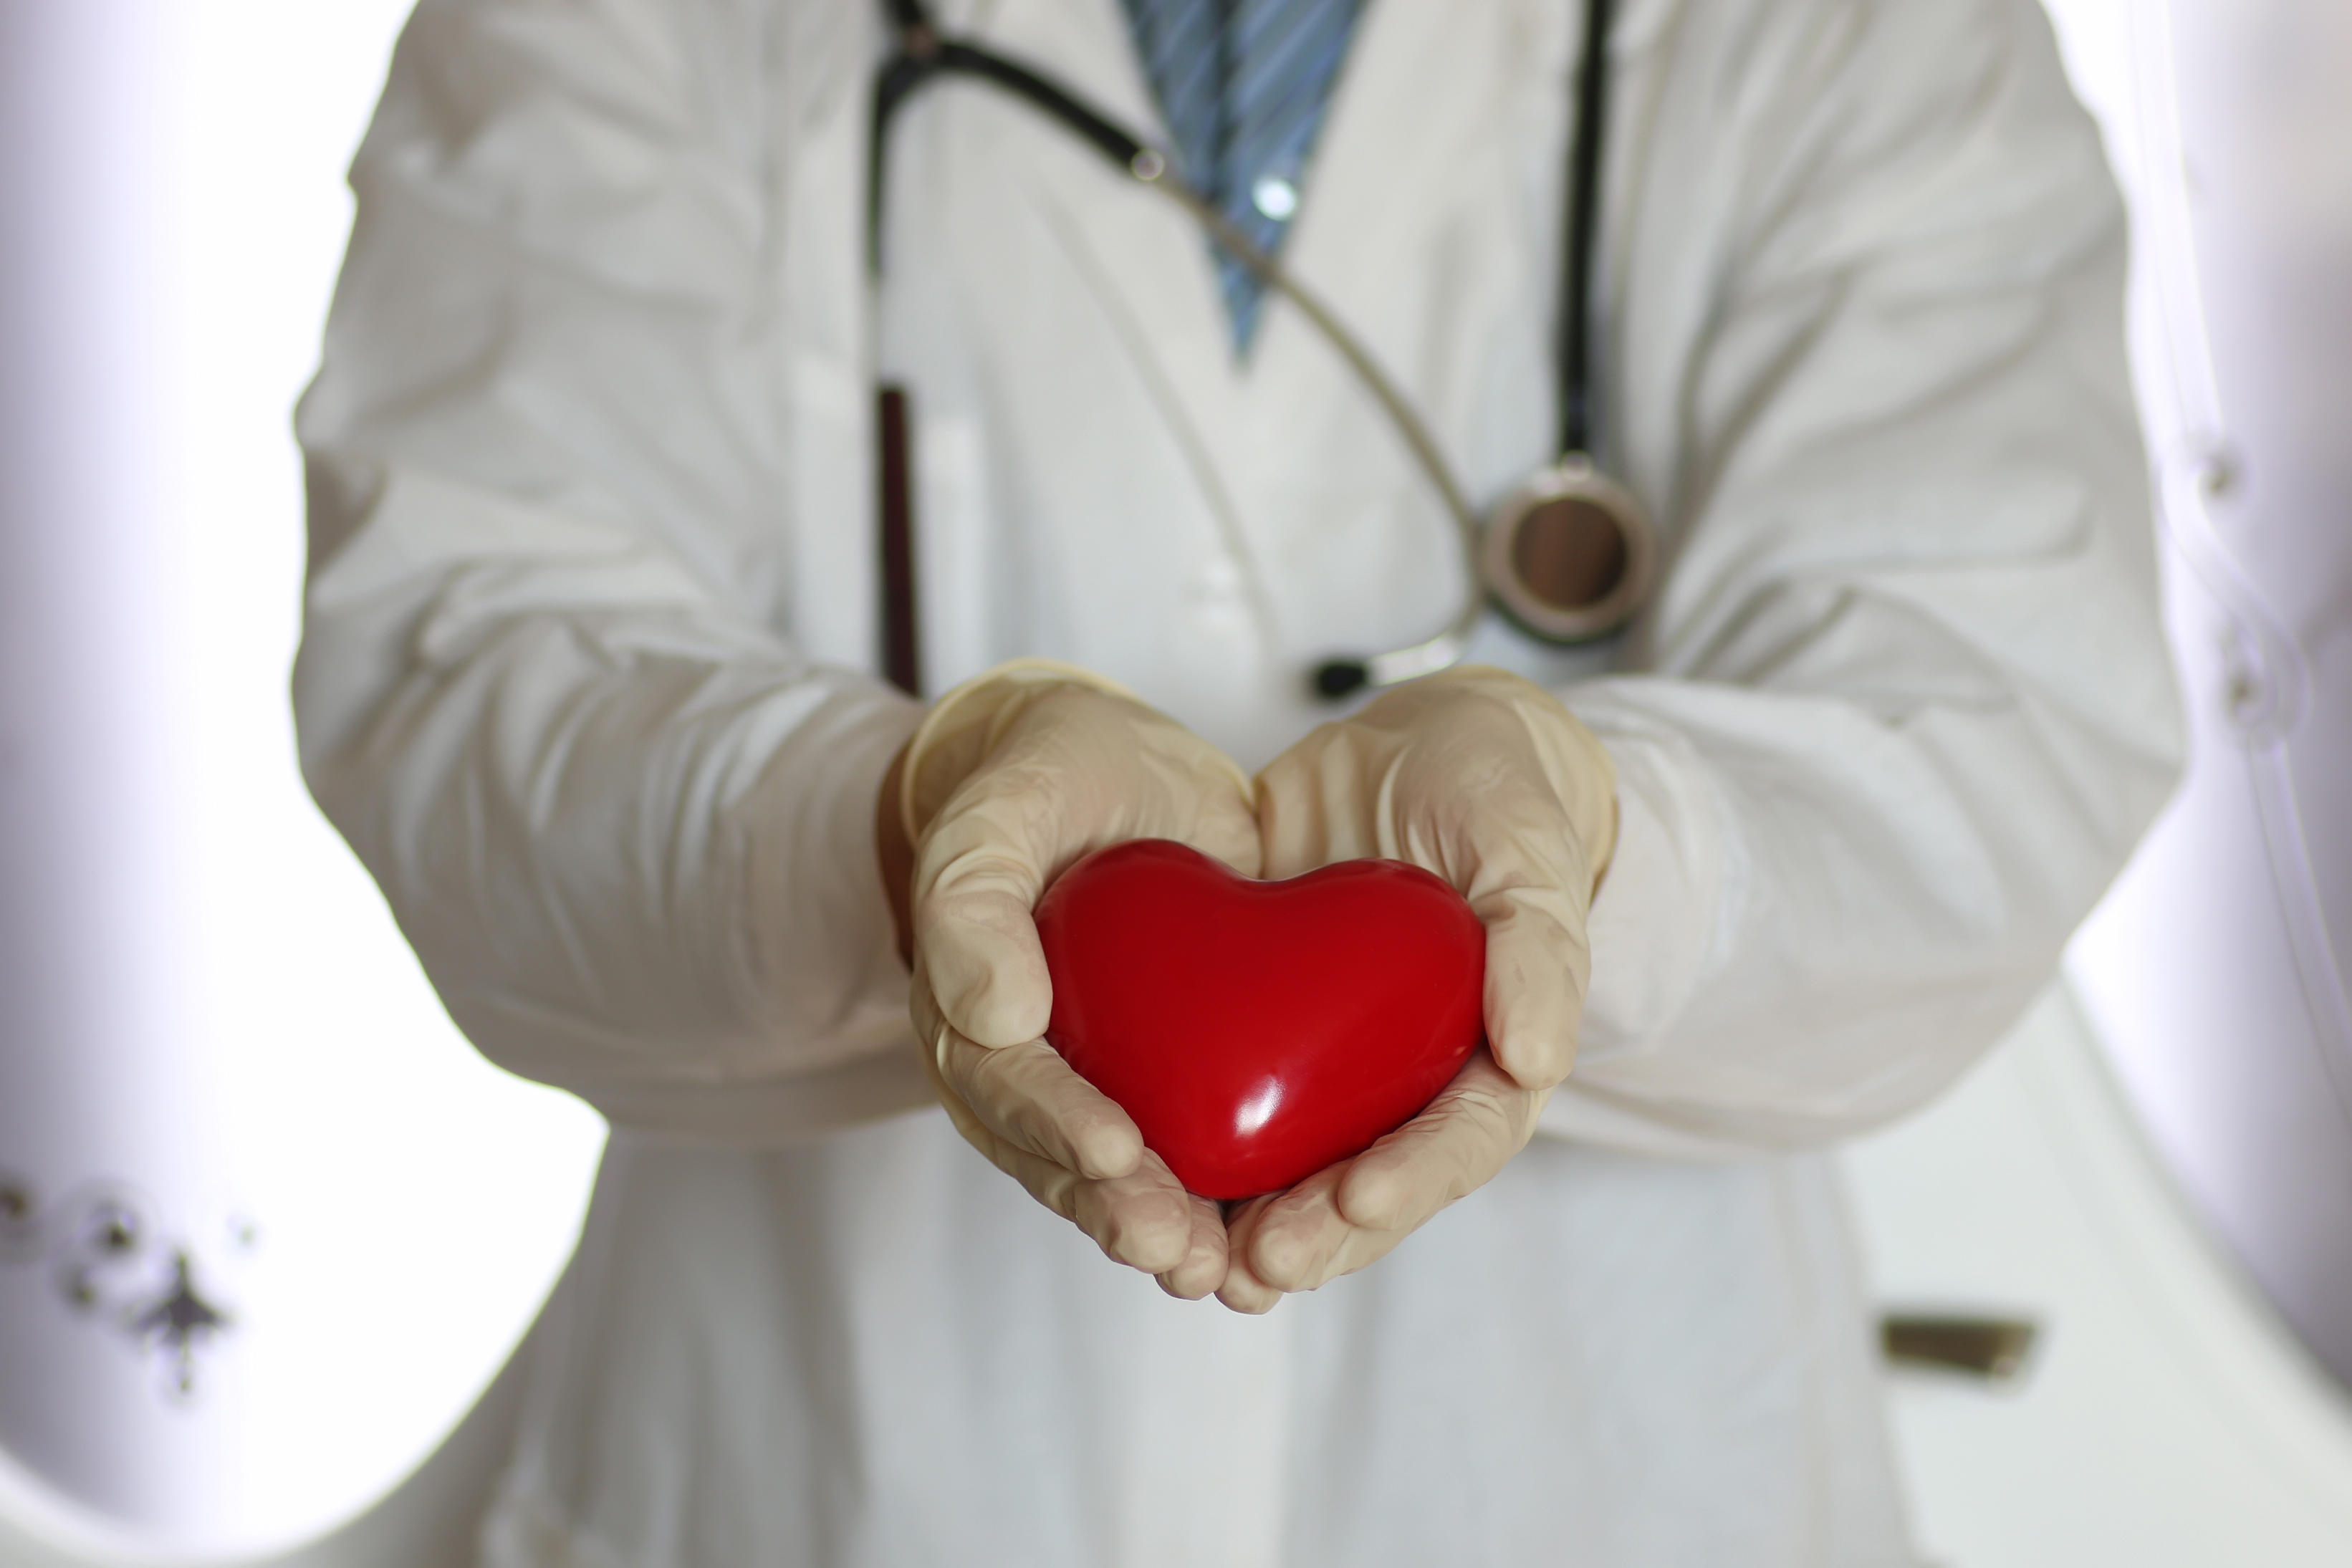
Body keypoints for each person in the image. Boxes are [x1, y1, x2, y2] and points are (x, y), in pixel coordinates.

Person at [291, 0, 2181, 1562]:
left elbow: (1989, 707)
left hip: (1610, 1467)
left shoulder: (1865, 36)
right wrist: (899, 817)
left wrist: (1599, 837)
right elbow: (466, 655)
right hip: (823, 1470)